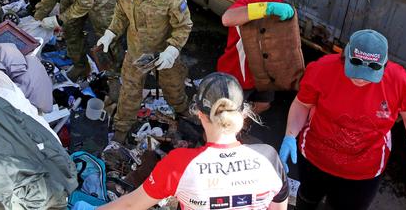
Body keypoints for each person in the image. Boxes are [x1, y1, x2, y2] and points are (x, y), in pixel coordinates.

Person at [279, 29, 406, 210]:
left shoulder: (399, 80)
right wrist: (290, 135)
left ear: (385, 65)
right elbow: (302, 104)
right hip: (315, 157)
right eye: (355, 70)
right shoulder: (321, 69)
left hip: (365, 170)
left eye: (369, 73)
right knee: (308, 197)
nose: (360, 79)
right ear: (344, 57)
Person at [72, 73, 289, 210]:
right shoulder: (269, 157)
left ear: (200, 115)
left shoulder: (180, 164)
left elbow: (130, 204)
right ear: (244, 114)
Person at [96, 0, 192, 143]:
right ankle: (121, 132)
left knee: (174, 90)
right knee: (129, 94)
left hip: (163, 54)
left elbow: (184, 25)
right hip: (138, 53)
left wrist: (172, 50)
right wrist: (110, 33)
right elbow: (120, 15)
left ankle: (186, 117)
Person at [217, 0, 306, 114]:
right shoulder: (249, 0)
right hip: (239, 73)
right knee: (225, 116)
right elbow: (227, 18)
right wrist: (267, 8)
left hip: (262, 72)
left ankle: (240, 125)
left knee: (263, 104)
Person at [18, 0, 120, 81]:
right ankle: (81, 66)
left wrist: (58, 20)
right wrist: (38, 18)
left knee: (105, 31)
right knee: (70, 28)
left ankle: (116, 70)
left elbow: (85, 4)